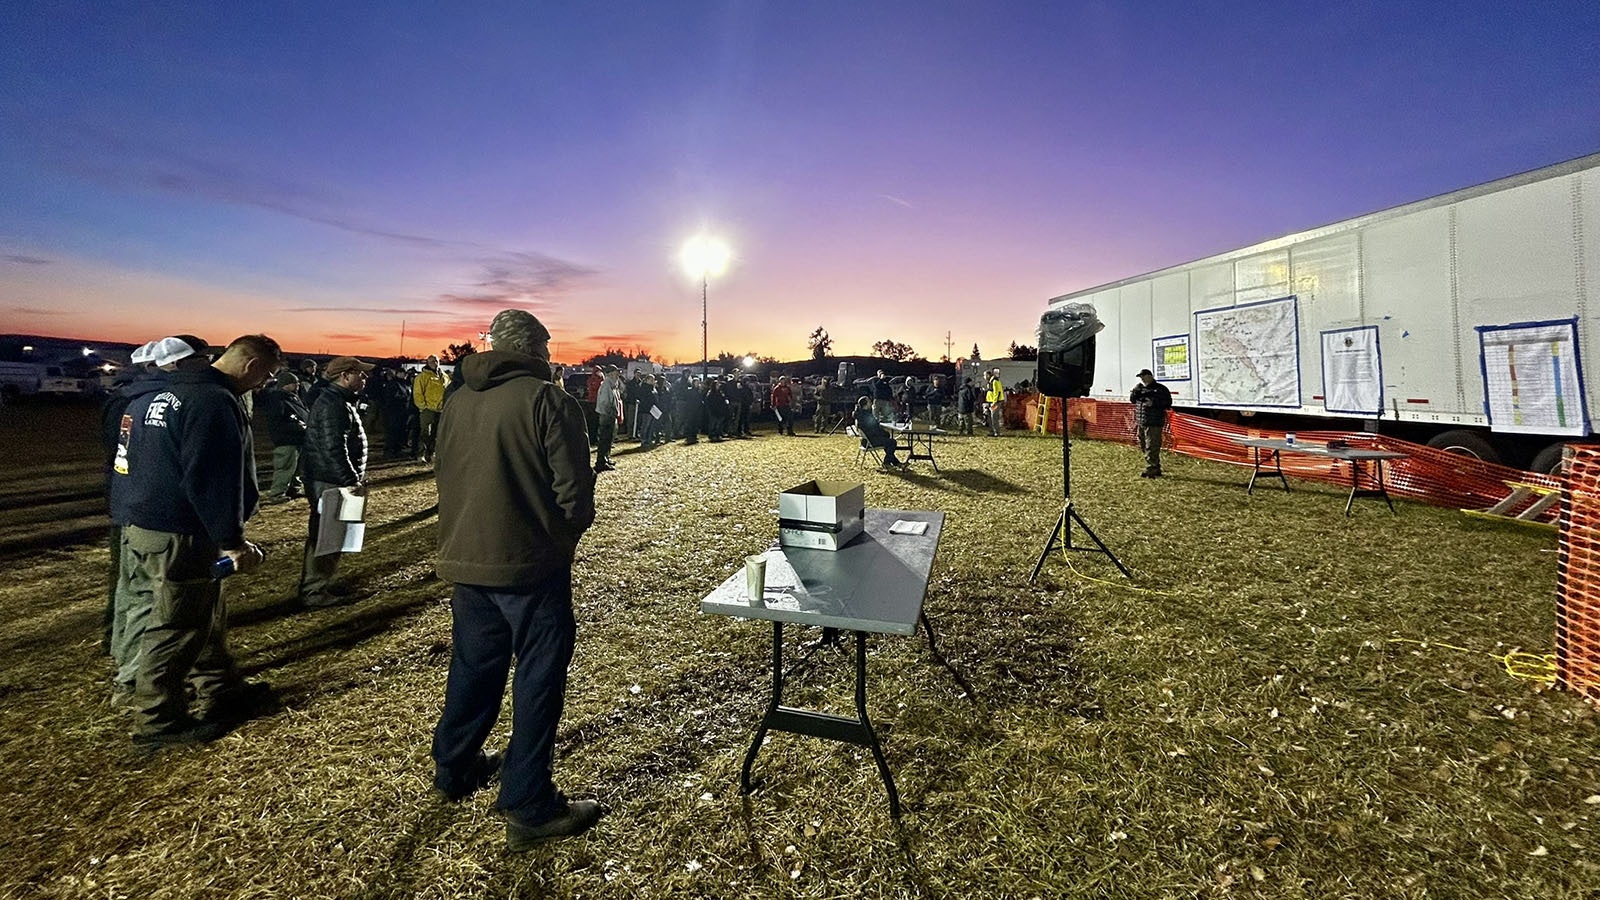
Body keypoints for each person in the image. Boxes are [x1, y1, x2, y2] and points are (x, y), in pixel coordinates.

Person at [431, 307, 601, 850]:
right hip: (528, 565)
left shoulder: (458, 399)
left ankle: (454, 767)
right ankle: (529, 804)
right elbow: (574, 492)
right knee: (538, 681)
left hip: (467, 560)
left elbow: (446, 474)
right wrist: (560, 540)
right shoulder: (548, 399)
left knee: (474, 667)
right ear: (535, 348)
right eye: (548, 346)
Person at [108, 334, 281, 747]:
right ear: (251, 365)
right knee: (177, 624)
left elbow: (124, 461)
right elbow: (211, 478)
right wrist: (232, 541)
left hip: (141, 525)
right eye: (267, 375)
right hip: (181, 533)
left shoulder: (153, 395)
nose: (263, 384)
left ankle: (220, 689)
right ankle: (157, 722)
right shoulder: (214, 403)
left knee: (202, 613)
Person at [298, 355, 373, 607]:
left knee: (328, 534)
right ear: (344, 376)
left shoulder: (337, 401)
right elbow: (333, 448)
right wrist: (351, 480)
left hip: (328, 478)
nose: (364, 378)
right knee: (327, 536)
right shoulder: (334, 405)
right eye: (359, 373)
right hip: (330, 481)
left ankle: (318, 584)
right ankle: (315, 591)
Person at [259, 369, 308, 503]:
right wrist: (297, 426)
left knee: (296, 467)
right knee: (285, 467)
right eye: (295, 383)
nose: (298, 386)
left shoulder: (292, 397)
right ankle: (277, 493)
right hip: (287, 440)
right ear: (286, 384)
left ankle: (294, 489)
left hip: (298, 439)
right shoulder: (277, 400)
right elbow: (277, 421)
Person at [1129, 368, 1173, 477]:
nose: (1142, 379)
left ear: (1150, 376)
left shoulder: (1160, 389)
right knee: (1143, 444)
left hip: (1154, 422)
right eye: (1141, 377)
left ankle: (1152, 467)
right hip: (1142, 422)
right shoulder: (1141, 389)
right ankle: (1154, 466)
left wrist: (1153, 403)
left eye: (1143, 376)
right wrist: (1135, 391)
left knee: (1152, 445)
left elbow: (1168, 403)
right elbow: (1133, 400)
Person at [413, 354, 448, 463]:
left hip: (441, 409)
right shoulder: (422, 377)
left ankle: (432, 453)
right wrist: (423, 406)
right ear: (428, 363)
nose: (435, 363)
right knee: (425, 433)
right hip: (428, 409)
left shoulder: (445, 377)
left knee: (436, 433)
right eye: (432, 361)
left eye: (437, 361)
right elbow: (418, 393)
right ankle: (421, 454)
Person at [853, 396, 903, 469]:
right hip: (871, 441)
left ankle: (896, 463)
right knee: (892, 442)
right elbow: (875, 430)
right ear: (866, 405)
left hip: (865, 441)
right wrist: (885, 433)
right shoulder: (866, 416)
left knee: (888, 442)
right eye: (869, 402)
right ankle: (887, 463)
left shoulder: (860, 415)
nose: (871, 403)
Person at [593, 366, 623, 472]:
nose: (618, 375)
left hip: (610, 415)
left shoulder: (613, 385)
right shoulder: (607, 386)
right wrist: (611, 412)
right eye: (616, 373)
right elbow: (605, 402)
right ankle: (601, 462)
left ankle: (606, 458)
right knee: (605, 439)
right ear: (610, 374)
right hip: (607, 415)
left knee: (609, 438)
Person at [985, 368, 1006, 436]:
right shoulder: (991, 381)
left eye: (984, 375)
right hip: (990, 402)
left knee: (994, 417)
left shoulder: (994, 381)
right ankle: (992, 431)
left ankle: (996, 432)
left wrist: (994, 402)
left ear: (988, 375)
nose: (984, 377)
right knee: (990, 418)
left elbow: (996, 392)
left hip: (995, 402)